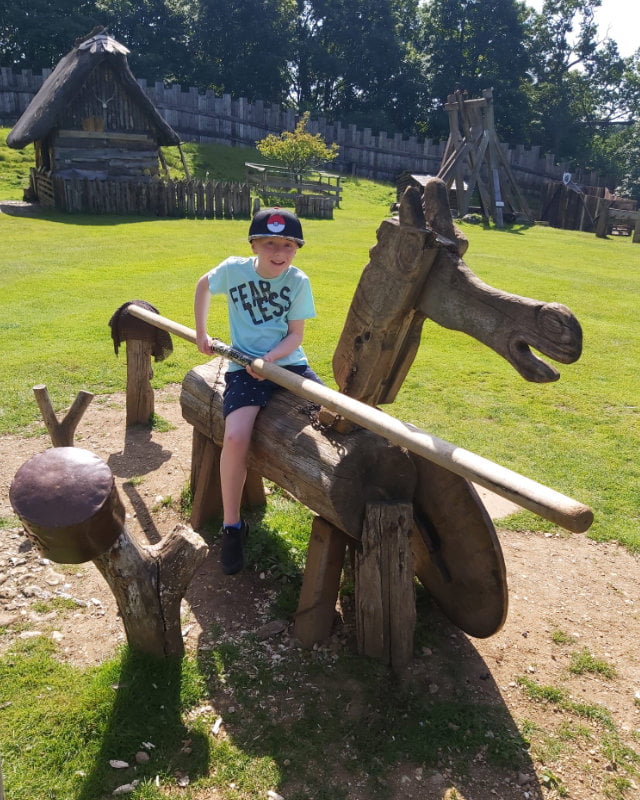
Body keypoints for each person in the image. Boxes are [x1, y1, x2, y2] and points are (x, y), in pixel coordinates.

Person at [194, 207, 321, 575]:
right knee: (235, 437)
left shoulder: (298, 281)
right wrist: (202, 333)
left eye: (288, 245)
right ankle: (232, 525)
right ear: (254, 244)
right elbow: (204, 284)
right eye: (270, 243)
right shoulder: (234, 270)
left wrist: (269, 358)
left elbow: (296, 335)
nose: (279, 252)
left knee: (334, 415)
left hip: (288, 363)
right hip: (244, 368)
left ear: (296, 248)